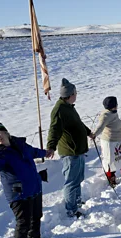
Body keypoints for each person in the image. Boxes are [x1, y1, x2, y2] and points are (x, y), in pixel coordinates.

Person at [0, 122, 50, 238]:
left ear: (6, 132)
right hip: (18, 193)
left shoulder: (20, 144)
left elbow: (34, 152)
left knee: (36, 215)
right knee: (23, 222)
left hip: (34, 187)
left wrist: (46, 153)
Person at [47, 78, 95, 219]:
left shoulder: (68, 107)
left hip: (78, 150)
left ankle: (77, 201)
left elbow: (77, 123)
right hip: (70, 151)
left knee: (78, 178)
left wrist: (88, 132)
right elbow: (54, 129)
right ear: (70, 94)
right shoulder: (59, 110)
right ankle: (71, 209)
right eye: (75, 92)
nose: (76, 94)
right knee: (71, 181)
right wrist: (51, 146)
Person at [93, 97, 121, 186]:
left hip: (118, 140)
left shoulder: (114, 113)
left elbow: (119, 122)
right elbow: (100, 127)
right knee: (110, 160)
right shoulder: (105, 116)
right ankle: (111, 178)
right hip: (109, 142)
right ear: (113, 106)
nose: (117, 105)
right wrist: (94, 134)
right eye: (116, 104)